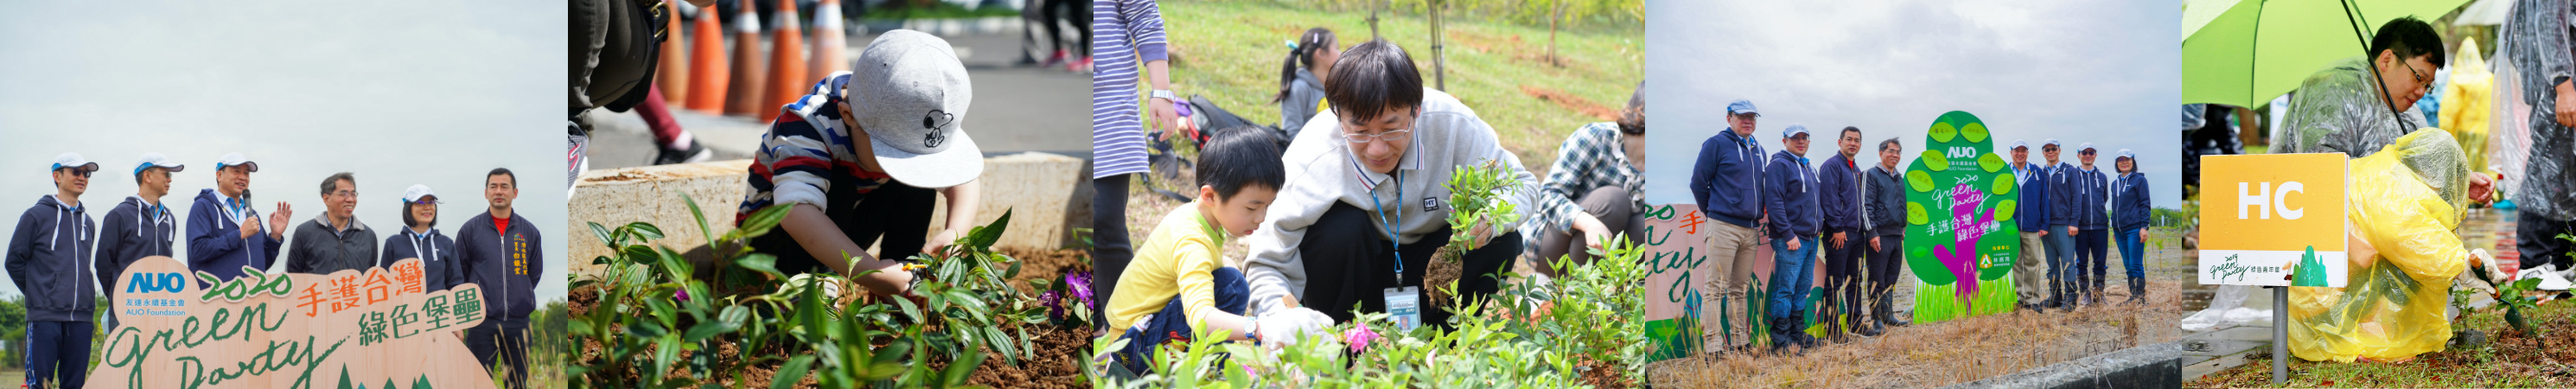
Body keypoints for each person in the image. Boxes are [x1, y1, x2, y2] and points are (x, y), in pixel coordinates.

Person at [1240, 40, 1536, 333]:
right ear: (1338, 118)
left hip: (1430, 274)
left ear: (1416, 109)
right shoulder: (1313, 155)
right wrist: (1280, 318)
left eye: (1392, 128)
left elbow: (1523, 185)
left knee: (1502, 239)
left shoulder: (1453, 125)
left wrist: (1489, 219)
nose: (1377, 149)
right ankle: (1340, 345)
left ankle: (1437, 349)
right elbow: (1268, 259)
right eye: (1360, 132)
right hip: (1354, 276)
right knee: (1342, 229)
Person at [736, 30, 983, 301]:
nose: (898, 164)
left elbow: (963, 178)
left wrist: (955, 233)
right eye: (891, 154)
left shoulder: (913, 117)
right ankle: (812, 285)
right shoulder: (808, 125)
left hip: (838, 233)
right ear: (848, 115)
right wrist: (868, 273)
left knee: (916, 184)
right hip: (776, 238)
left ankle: (902, 277)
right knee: (840, 180)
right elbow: (795, 212)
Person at [1104, 128, 1329, 375]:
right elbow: (1200, 318)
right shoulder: (1191, 241)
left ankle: (1207, 367)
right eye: (1252, 207)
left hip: (1132, 334)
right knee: (1231, 287)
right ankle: (1201, 372)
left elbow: (1213, 263)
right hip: (1132, 348)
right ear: (1210, 195)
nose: (1262, 218)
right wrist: (1262, 327)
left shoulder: (1197, 218)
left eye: (1267, 206)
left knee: (1228, 274)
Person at [2287, 129, 2473, 363]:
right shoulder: (2391, 191)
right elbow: (2385, 248)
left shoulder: (2384, 172)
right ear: (2430, 172)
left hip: (2314, 293)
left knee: (2400, 262)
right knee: (2399, 263)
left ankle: (2366, 332)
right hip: (2318, 300)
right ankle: (2359, 339)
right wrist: (2462, 265)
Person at [1091, 0, 1174, 327]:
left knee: (1104, 222)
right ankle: (1095, 324)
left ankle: (1128, 332)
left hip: (1109, 108)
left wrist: (1162, 91)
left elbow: (1145, 18)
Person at [2273, 16, 2445, 158]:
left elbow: (2421, 168)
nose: (2421, 92)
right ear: (2387, 60)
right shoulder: (2335, 92)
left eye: (2427, 86)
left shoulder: (2410, 115)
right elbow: (2323, 170)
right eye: (2418, 78)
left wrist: (2454, 181)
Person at [1527, 82, 1646, 275]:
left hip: (1608, 259)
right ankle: (1565, 291)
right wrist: (1589, 223)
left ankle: (1608, 295)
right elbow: (1547, 195)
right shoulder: (1598, 138)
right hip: (1555, 247)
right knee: (1613, 201)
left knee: (1651, 224)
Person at [8, 153, 100, 389]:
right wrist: (42, 293)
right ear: (57, 176)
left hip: (81, 318)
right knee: (40, 385)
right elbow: (14, 262)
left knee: (74, 385)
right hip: (45, 317)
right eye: (76, 172)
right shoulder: (35, 216)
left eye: (86, 173)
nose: (82, 177)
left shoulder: (88, 222)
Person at [1688, 99, 1768, 354]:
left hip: (1751, 230)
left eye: (1752, 117)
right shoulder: (1716, 144)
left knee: (1739, 289)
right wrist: (1713, 213)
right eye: (1742, 117)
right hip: (1723, 225)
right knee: (1715, 288)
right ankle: (1712, 346)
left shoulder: (1759, 150)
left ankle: (1740, 342)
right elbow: (1698, 183)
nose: (1748, 121)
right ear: (1729, 118)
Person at [2506, 0, 2576, 288]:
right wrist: (2562, 85)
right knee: (2545, 171)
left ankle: (2563, 264)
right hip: (2558, 89)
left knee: (2566, 175)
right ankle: (2533, 264)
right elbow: (2549, 24)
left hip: (2558, 86)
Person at [458, 169, 542, 389]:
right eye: (493, 187)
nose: (499, 191)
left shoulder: (529, 232)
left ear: (515, 192)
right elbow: (461, 273)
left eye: (504, 187)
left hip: (518, 322)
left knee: (517, 384)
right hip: (481, 322)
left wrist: (519, 293)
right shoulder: (470, 230)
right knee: (478, 382)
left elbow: (533, 273)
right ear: (485, 193)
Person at [96, 153, 185, 331]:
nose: (170, 179)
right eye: (166, 174)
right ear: (147, 176)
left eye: (171, 175)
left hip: (161, 311)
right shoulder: (119, 216)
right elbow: (103, 264)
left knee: (160, 360)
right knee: (126, 360)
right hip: (126, 311)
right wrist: (119, 296)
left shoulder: (170, 219)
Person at [187, 153, 290, 289]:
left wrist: (275, 236)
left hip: (253, 300)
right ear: (219, 175)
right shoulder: (203, 207)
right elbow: (198, 250)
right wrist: (239, 234)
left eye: (246, 173)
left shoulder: (252, 215)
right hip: (217, 301)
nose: (243, 177)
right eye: (236, 171)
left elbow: (262, 263)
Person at [1763, 124, 1823, 354]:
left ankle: (1797, 334)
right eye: (1795, 138)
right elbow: (1775, 202)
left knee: (1803, 288)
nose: (1800, 141)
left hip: (1811, 238)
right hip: (1792, 239)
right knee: (1785, 289)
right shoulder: (1779, 165)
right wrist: (1788, 234)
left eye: (1804, 138)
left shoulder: (1809, 167)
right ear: (1784, 141)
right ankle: (1780, 340)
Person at [1817, 126, 1868, 341]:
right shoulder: (1831, 166)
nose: (1853, 143)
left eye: (1857, 140)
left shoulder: (1856, 170)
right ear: (1840, 142)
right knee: (1834, 282)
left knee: (1854, 281)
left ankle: (1856, 323)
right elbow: (1828, 199)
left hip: (1857, 235)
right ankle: (1833, 330)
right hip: (1839, 233)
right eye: (1849, 139)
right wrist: (1837, 228)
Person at [1862, 137, 1912, 330]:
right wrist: (1872, 232)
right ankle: (1876, 320)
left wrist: (1902, 228)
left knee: (1892, 276)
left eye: (1898, 152)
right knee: (1877, 278)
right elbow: (1865, 206)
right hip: (1879, 236)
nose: (1895, 155)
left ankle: (1889, 315)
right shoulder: (1871, 174)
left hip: (1896, 235)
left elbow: (1900, 206)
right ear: (1881, 153)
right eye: (1891, 151)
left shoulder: (1899, 178)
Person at [287, 173, 379, 275]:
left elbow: (371, 278)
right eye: (344, 194)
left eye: (353, 194)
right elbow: (293, 277)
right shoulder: (304, 232)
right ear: (327, 199)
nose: (350, 199)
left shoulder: (368, 235)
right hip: (317, 291)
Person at [382, 185, 463, 292]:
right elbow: (384, 284)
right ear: (408, 208)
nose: (427, 207)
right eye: (420, 203)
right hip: (406, 308)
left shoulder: (446, 243)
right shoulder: (393, 243)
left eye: (431, 202)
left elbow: (456, 286)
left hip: (438, 308)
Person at [2005, 140, 2056, 311]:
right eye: (2016, 150)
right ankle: (2018, 297)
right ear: (2011, 152)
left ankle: (2032, 300)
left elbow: (2044, 200)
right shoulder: (2003, 172)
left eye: (2023, 150)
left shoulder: (2037, 172)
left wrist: (2044, 223)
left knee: (2033, 263)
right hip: (2009, 227)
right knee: (2014, 263)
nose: (2020, 153)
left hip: (2032, 226)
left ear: (2027, 153)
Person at [1274, 28, 1338, 139]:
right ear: (1321, 53)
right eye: (1337, 48)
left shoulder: (1338, 87)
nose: (1341, 53)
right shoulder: (1298, 89)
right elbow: (1291, 134)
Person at [2069, 143, 2113, 307]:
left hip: (2100, 226)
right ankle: (2085, 294)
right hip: (2080, 227)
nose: (2088, 155)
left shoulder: (2102, 177)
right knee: (2081, 262)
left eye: (2091, 152)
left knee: (2100, 262)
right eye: (2084, 152)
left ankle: (2099, 294)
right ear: (2078, 155)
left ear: (2095, 155)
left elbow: (2104, 198)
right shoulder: (2073, 176)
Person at [2110, 150, 2153, 305]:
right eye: (2120, 160)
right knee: (2128, 265)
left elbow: (2145, 204)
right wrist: (2114, 227)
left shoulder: (2139, 180)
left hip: (2134, 229)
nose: (2124, 162)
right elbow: (2114, 207)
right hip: (2119, 231)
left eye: (2127, 159)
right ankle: (2133, 296)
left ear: (2133, 162)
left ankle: (2140, 299)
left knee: (2135, 264)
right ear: (2117, 163)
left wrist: (2144, 227)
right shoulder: (2115, 183)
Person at [2039, 140, 2078, 309]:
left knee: (2068, 262)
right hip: (2046, 226)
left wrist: (2074, 222)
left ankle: (2071, 298)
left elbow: (2077, 197)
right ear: (2043, 152)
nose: (2051, 152)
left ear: (2059, 150)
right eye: (2047, 149)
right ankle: (2055, 297)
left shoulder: (2069, 171)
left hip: (2064, 224)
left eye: (2054, 149)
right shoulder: (2040, 173)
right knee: (2052, 263)